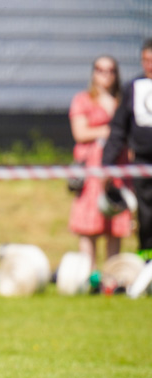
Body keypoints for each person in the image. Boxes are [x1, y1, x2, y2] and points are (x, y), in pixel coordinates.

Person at [67, 56, 132, 266]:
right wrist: (108, 130)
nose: (105, 75)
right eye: (100, 70)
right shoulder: (83, 99)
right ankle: (88, 274)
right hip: (92, 170)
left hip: (117, 168)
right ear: (93, 73)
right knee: (88, 225)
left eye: (110, 70)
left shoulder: (122, 101)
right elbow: (80, 132)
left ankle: (112, 278)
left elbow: (129, 132)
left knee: (115, 224)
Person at [102, 38, 152, 262]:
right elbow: (118, 129)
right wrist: (107, 165)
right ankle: (147, 260)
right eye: (145, 60)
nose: (149, 65)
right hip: (142, 162)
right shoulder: (134, 88)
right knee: (146, 215)